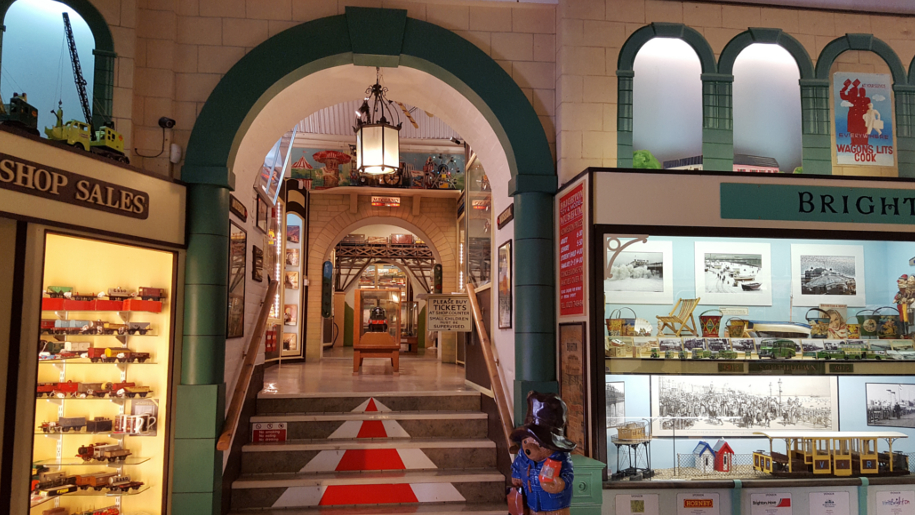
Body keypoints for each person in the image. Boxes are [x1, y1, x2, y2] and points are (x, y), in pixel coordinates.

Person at [510, 392, 576, 515]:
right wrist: (516, 474)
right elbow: (518, 464)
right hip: (533, 501)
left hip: (556, 503)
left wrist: (561, 484)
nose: (529, 447)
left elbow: (568, 474)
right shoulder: (523, 454)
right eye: (526, 441)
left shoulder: (560, 458)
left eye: (539, 444)